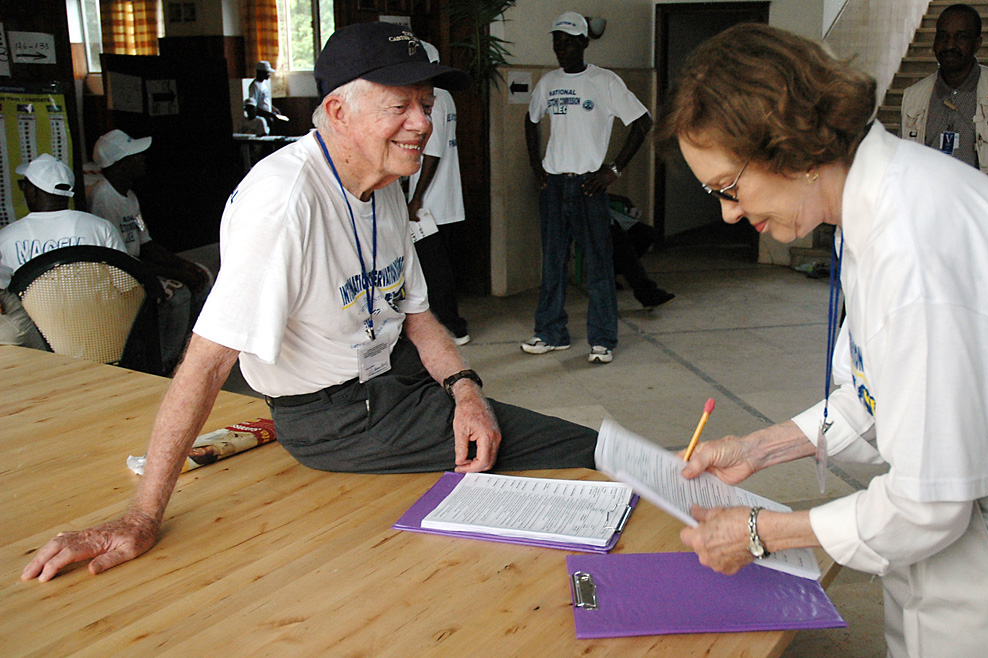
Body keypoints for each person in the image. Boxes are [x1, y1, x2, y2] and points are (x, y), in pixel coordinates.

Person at [22, 22, 597, 584]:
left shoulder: (387, 181)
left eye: (426, 103)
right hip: (338, 415)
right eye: (400, 105)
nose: (422, 123)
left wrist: (466, 390)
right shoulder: (283, 203)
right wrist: (141, 517)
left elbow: (418, 317)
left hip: (396, 375)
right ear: (339, 112)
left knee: (517, 439)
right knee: (581, 451)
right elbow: (206, 363)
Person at [657, 24, 988, 658]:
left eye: (728, 188)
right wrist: (760, 448)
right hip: (982, 520)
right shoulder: (882, 202)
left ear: (789, 147)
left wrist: (761, 532)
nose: (728, 215)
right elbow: (877, 392)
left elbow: (930, 502)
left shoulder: (915, 243)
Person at [522, 11, 653, 364]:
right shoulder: (548, 82)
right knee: (552, 264)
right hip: (553, 186)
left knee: (598, 265)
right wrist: (537, 165)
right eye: (556, 42)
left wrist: (614, 169)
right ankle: (550, 332)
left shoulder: (604, 81)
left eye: (567, 42)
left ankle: (603, 339)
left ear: (582, 42)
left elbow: (643, 122)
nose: (561, 49)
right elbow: (531, 120)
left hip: (588, 187)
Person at [90, 129, 212, 372]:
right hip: (121, 273)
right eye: (135, 156)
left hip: (136, 264)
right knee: (178, 295)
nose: (142, 159)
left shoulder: (130, 197)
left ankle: (189, 353)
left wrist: (183, 266)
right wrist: (178, 274)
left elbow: (145, 241)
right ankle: (164, 363)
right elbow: (121, 261)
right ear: (120, 164)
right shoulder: (102, 199)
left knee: (202, 276)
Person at [901, 3, 988, 207]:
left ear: (977, 42)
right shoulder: (913, 97)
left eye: (960, 37)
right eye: (942, 36)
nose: (949, 45)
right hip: (930, 216)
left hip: (984, 218)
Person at [0, 154, 123, 351]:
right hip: (101, 340)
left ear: (32, 192)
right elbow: (125, 285)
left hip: (39, 350)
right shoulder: (101, 228)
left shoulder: (5, 239)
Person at [405, 40, 471, 345]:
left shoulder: (436, 98)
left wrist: (416, 198)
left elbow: (432, 153)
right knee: (435, 263)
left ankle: (452, 326)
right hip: (437, 197)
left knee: (435, 266)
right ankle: (448, 323)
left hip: (432, 199)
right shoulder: (443, 97)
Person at [607, 195, 674, 309]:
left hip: (607, 213)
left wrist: (622, 199)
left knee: (646, 233)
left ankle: (612, 271)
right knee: (618, 238)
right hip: (585, 214)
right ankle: (646, 292)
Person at [247, 60, 288, 128]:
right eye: (267, 72)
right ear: (260, 72)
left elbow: (264, 100)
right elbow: (254, 106)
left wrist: (273, 109)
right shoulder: (254, 86)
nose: (269, 74)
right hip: (263, 118)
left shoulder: (263, 84)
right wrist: (270, 114)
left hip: (268, 116)